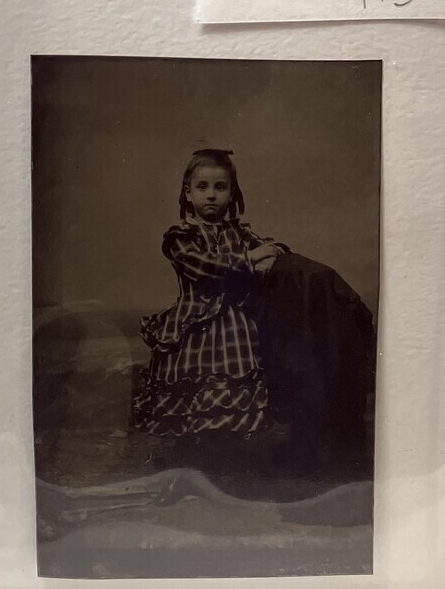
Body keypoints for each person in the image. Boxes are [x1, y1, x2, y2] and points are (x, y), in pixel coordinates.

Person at [132, 148, 375, 474]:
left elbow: (275, 249)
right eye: (202, 187)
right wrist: (251, 260)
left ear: (232, 193)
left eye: (220, 187)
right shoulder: (180, 238)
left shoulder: (239, 233)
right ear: (187, 193)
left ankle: (227, 456)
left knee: (231, 396)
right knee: (198, 392)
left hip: (235, 326)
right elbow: (206, 269)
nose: (211, 196)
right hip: (198, 326)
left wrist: (269, 253)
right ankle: (197, 456)